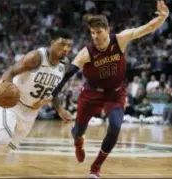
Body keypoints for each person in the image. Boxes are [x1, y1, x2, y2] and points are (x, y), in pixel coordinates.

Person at [52, 1, 169, 178]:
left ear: (108, 30)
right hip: (91, 93)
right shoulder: (86, 52)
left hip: (115, 93)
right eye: (92, 33)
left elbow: (145, 29)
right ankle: (78, 141)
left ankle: (96, 168)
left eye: (99, 32)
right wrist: (53, 96)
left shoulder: (120, 40)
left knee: (115, 127)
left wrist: (163, 17)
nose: (95, 36)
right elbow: (67, 75)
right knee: (77, 132)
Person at [0, 29, 73, 175]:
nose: (66, 49)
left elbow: (54, 90)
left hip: (32, 112)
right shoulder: (37, 57)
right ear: (52, 43)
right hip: (14, 103)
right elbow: (12, 71)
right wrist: (1, 84)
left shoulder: (65, 65)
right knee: (1, 139)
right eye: (62, 44)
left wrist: (60, 110)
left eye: (69, 46)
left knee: (4, 148)